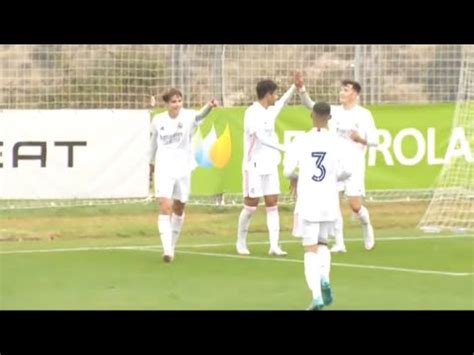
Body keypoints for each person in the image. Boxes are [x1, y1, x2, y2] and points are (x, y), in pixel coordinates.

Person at [294, 72, 377, 253]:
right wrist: (301, 89)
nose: (342, 92)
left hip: (354, 166)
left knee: (355, 206)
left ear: (355, 94)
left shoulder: (364, 115)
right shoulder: (334, 112)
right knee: (334, 203)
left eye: (346, 90)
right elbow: (311, 105)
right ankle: (339, 242)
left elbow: (375, 141)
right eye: (341, 89)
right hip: (335, 166)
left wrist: (360, 139)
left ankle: (366, 225)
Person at [283, 102, 351, 310]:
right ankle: (325, 278)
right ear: (329, 118)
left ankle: (316, 296)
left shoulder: (301, 140)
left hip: (308, 200)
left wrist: (297, 176)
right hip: (329, 200)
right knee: (323, 244)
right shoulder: (336, 141)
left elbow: (287, 171)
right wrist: (333, 176)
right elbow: (347, 171)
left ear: (311, 115)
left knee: (309, 248)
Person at [149, 88, 218, 262]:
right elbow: (152, 145)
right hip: (164, 167)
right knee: (165, 205)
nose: (177, 105)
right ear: (166, 104)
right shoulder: (158, 120)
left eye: (179, 101)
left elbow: (200, 116)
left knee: (179, 207)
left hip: (182, 168)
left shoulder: (188, 117)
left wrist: (209, 106)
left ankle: (172, 246)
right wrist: (150, 164)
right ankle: (166, 250)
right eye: (173, 101)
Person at [236, 79, 297, 256]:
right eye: (274, 93)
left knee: (272, 203)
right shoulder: (251, 113)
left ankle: (274, 246)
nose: (276, 97)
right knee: (251, 206)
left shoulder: (270, 111)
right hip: (253, 166)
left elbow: (283, 102)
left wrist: (295, 86)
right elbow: (261, 138)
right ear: (268, 94)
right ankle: (240, 241)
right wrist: (284, 148)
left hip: (269, 165)